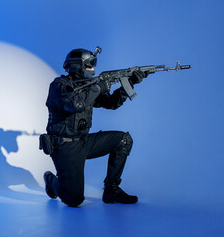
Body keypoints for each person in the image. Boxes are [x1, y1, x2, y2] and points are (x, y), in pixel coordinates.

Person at [42, 48, 148, 207]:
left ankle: (111, 189)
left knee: (123, 140)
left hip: (84, 142)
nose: (93, 70)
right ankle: (51, 180)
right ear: (78, 66)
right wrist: (98, 87)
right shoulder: (59, 86)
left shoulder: (88, 87)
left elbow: (112, 103)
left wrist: (130, 83)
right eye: (89, 66)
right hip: (65, 146)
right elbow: (76, 104)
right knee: (74, 200)